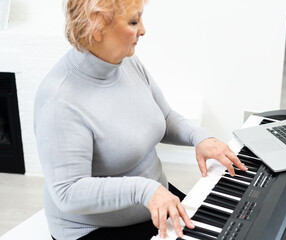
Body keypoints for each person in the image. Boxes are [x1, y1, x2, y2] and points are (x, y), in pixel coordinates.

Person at [34, 0, 247, 239]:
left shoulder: (127, 62)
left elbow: (163, 116)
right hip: (96, 229)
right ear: (97, 26)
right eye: (134, 21)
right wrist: (144, 190)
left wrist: (200, 138)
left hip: (154, 203)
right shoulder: (58, 101)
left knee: (238, 227)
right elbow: (68, 192)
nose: (143, 30)